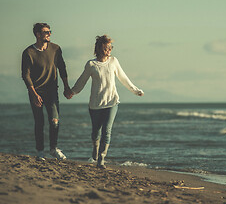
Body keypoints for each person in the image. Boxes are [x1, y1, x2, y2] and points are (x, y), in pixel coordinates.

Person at [68, 35, 144, 168]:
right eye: (106, 47)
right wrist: (73, 92)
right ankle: (95, 148)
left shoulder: (114, 61)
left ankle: (101, 159)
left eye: (110, 47)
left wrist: (136, 90)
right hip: (95, 104)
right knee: (95, 133)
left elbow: (123, 78)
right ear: (98, 48)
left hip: (112, 102)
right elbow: (82, 80)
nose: (109, 50)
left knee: (107, 131)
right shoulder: (91, 64)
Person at [21, 23, 70, 161]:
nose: (49, 34)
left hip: (52, 91)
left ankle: (53, 149)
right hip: (35, 92)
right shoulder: (28, 53)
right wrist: (34, 94)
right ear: (37, 34)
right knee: (39, 122)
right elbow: (26, 75)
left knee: (55, 121)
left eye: (49, 31)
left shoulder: (55, 49)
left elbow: (62, 68)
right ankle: (40, 151)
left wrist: (66, 87)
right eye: (46, 32)